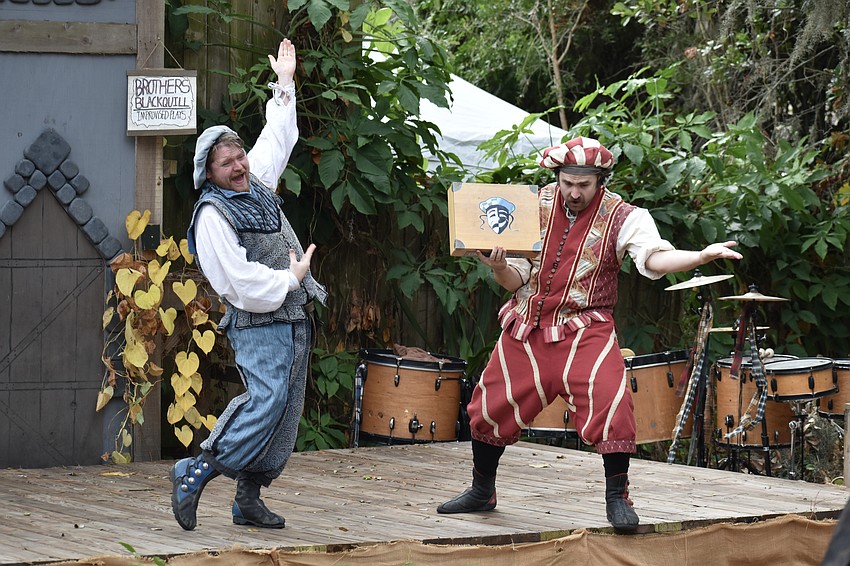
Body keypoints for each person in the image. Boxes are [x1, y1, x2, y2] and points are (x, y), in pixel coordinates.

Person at [437, 136, 742, 530]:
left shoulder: (625, 217)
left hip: (586, 329)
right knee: (490, 404)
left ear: (601, 179)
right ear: (557, 177)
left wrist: (700, 256)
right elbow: (516, 280)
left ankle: (617, 498)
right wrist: (497, 267)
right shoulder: (531, 207)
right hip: (527, 324)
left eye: (584, 184)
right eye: (567, 182)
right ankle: (482, 491)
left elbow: (655, 257)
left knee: (612, 402)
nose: (574, 192)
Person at [170, 38, 327, 531]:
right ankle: (195, 470)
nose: (238, 165)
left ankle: (248, 498)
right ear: (209, 175)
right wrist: (288, 278)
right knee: (266, 402)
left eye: (238, 154)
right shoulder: (213, 213)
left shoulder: (255, 181)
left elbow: (277, 140)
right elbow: (235, 281)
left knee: (285, 411)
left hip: (292, 311)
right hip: (259, 318)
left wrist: (284, 84)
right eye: (226, 162)